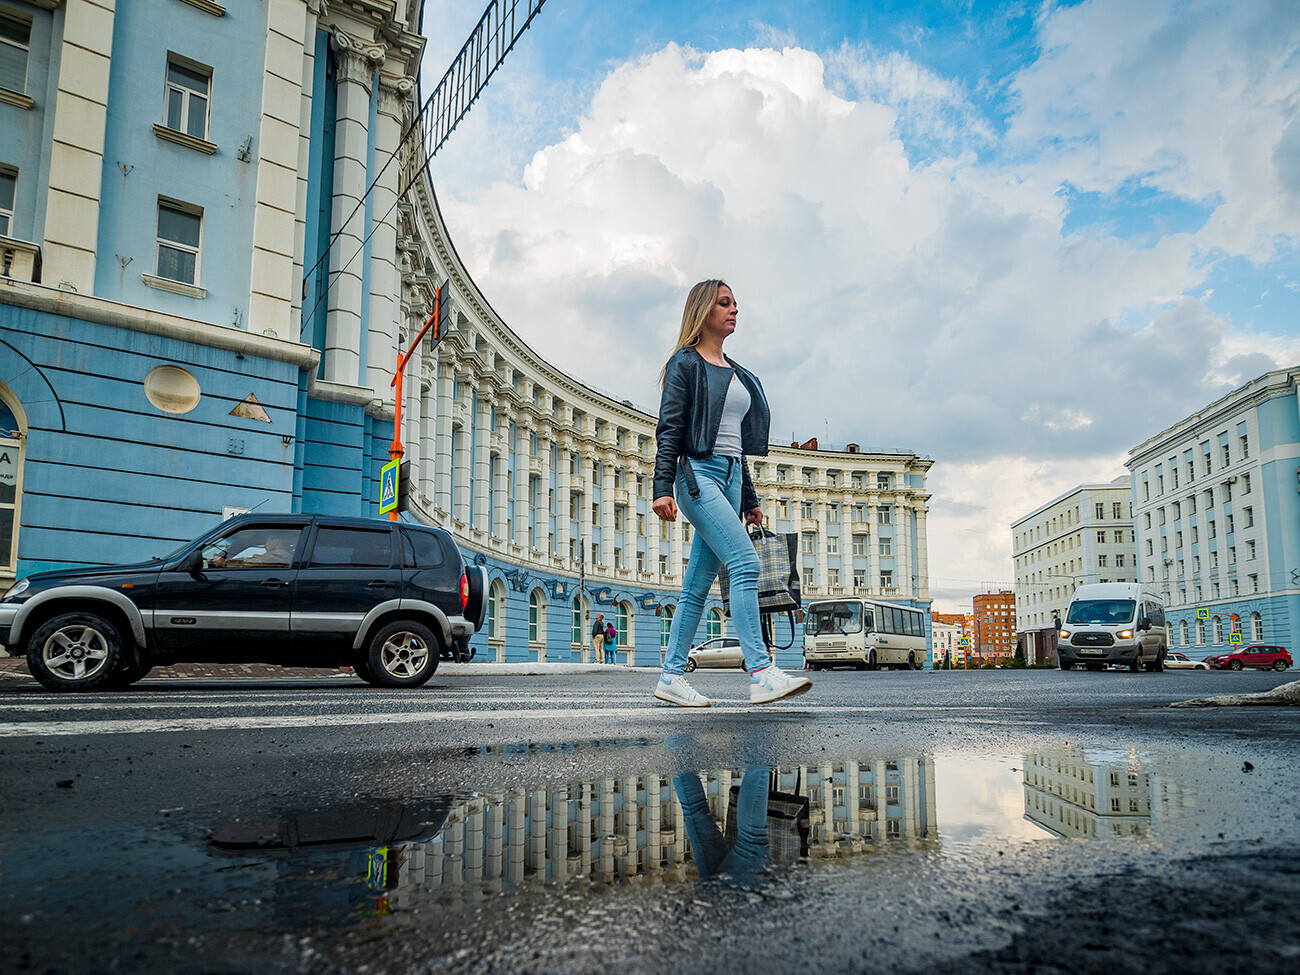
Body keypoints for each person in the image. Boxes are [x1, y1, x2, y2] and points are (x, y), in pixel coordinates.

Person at [651, 279, 812, 707]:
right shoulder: (685, 364)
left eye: (736, 303)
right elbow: (669, 429)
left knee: (697, 585)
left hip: (731, 476)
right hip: (697, 474)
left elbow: (737, 446)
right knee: (744, 562)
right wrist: (662, 486)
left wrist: (750, 500)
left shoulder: (739, 372)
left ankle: (670, 675)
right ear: (704, 310)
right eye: (724, 303)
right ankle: (761, 673)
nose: (734, 310)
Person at [209, 531, 295, 569]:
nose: (265, 545)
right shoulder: (285, 555)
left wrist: (225, 563)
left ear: (275, 541)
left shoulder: (279, 556)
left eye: (267, 542)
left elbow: (253, 562)